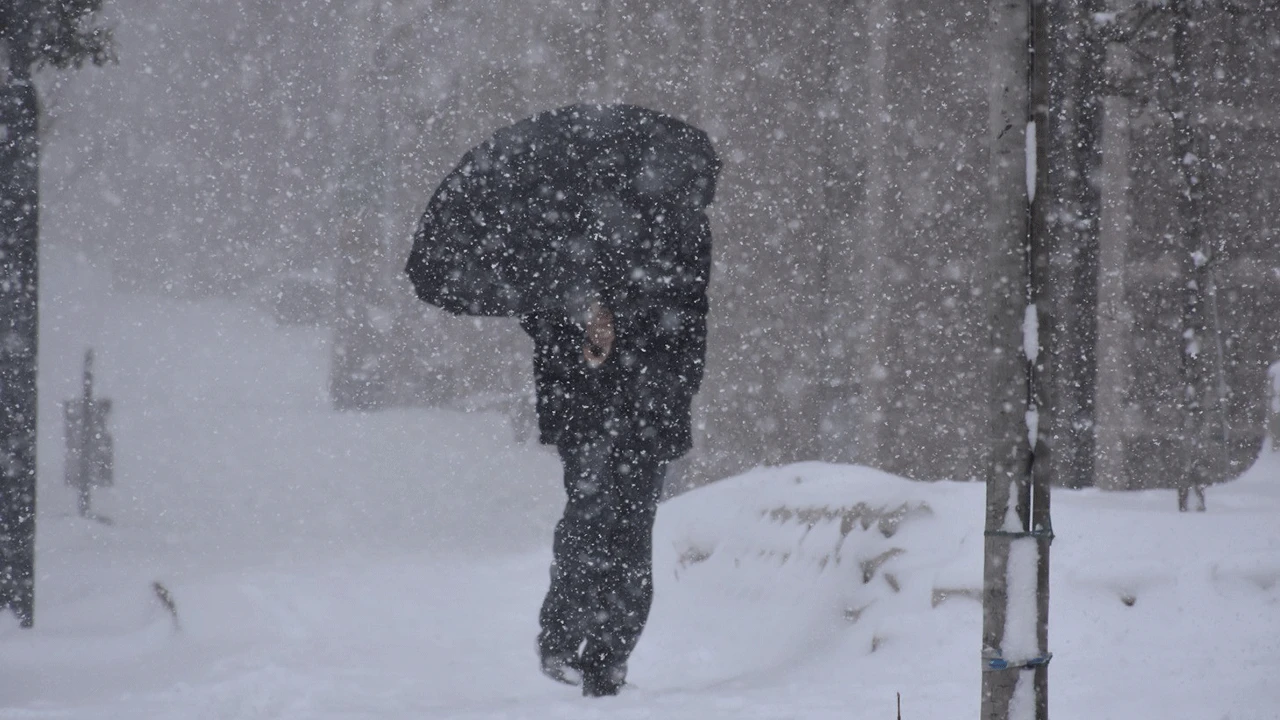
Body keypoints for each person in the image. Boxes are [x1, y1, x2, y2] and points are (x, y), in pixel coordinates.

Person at [520, 210, 711, 697]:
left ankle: (608, 658)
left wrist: (666, 377)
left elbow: (689, 311)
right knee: (591, 513)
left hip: (649, 407)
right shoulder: (565, 218)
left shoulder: (681, 222)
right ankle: (562, 639)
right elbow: (539, 306)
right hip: (586, 401)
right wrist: (581, 328)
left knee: (631, 527)